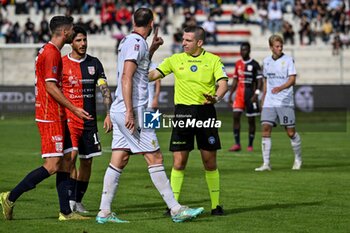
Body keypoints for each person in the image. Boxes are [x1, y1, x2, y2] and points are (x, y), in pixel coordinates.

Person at [95, 8, 204, 224]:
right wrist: (130, 112)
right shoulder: (136, 43)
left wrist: (152, 49)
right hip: (136, 110)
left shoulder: (133, 41)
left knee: (120, 157)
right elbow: (127, 76)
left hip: (126, 108)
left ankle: (104, 212)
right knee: (155, 157)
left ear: (134, 21)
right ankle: (175, 209)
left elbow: (141, 71)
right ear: (152, 23)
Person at [0, 16, 92, 221]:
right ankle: (9, 197)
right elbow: (50, 87)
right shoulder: (51, 53)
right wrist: (74, 109)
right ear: (65, 32)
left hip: (58, 114)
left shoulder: (49, 50)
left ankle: (65, 213)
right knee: (53, 165)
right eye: (71, 30)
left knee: (68, 161)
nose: (73, 32)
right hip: (49, 115)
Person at [149, 26, 228, 216]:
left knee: (209, 162)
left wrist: (216, 98)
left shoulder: (213, 60)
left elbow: (223, 84)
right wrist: (144, 57)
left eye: (188, 40)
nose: (183, 43)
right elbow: (152, 76)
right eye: (183, 39)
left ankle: (215, 206)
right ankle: (172, 207)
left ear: (199, 43)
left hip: (205, 112)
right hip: (183, 113)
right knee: (179, 162)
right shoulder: (176, 60)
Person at [61, 26, 113, 213]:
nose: (83, 44)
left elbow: (104, 89)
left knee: (87, 161)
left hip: (89, 122)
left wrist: (108, 113)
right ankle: (68, 201)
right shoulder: (62, 63)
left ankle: (77, 200)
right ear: (71, 43)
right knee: (71, 157)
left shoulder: (94, 63)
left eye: (84, 40)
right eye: (78, 40)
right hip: (69, 120)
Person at [255, 34, 302, 171]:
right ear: (271, 47)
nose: (280, 48)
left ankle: (298, 159)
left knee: (290, 133)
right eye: (277, 46)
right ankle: (266, 164)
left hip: (284, 101)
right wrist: (264, 98)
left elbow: (292, 80)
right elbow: (265, 81)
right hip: (270, 101)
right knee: (265, 129)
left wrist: (280, 88)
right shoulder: (266, 61)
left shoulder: (288, 60)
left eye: (281, 46)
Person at [228, 42, 263, 152]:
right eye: (242, 50)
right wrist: (230, 94)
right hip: (239, 95)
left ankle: (250, 145)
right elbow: (235, 80)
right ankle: (237, 144)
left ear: (249, 50)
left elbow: (260, 81)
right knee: (235, 116)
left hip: (250, 95)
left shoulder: (255, 64)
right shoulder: (238, 63)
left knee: (251, 120)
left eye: (245, 50)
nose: (243, 51)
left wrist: (256, 94)